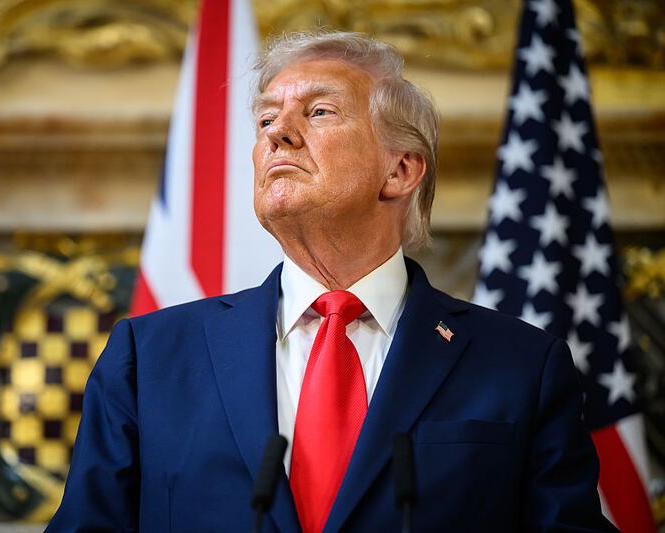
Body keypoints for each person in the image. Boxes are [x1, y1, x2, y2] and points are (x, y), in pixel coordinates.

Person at [47, 32, 613, 532]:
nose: (278, 136)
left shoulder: (521, 365)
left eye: (318, 112)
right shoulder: (149, 358)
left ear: (400, 170)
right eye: (267, 119)